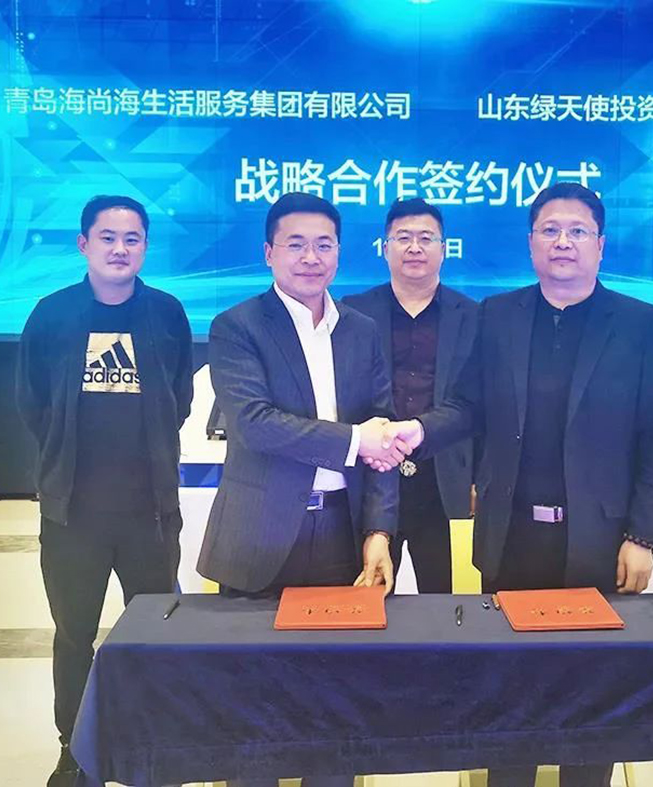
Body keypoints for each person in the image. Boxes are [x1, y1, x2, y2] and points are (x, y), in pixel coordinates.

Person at [378, 182, 653, 787]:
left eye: (577, 231)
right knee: (509, 687)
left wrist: (644, 535)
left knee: (590, 692)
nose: (562, 242)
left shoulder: (642, 324)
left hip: (599, 541)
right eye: (550, 230)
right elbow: (467, 406)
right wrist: (419, 430)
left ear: (600, 245)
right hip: (511, 535)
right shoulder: (499, 316)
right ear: (531, 243)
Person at [196, 191, 402, 786]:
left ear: (339, 252)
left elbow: (384, 436)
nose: (311, 257)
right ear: (269, 252)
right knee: (253, 703)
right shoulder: (237, 327)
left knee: (336, 701)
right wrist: (354, 440)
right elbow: (255, 424)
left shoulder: (362, 331)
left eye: (324, 244)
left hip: (340, 532)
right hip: (260, 536)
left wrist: (379, 531)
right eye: (296, 244)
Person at [17, 194, 193, 787]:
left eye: (132, 238)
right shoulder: (51, 314)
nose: (120, 249)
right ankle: (74, 749)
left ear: (145, 246)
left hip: (150, 512)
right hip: (74, 515)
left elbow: (179, 399)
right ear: (84, 244)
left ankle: (152, 740)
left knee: (153, 634)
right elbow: (33, 402)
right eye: (108, 237)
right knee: (74, 636)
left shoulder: (166, 313)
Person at [343, 198, 478, 593]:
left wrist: (479, 479)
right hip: (373, 475)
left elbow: (481, 402)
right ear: (385, 248)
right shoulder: (352, 313)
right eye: (403, 238)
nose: (414, 247)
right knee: (368, 595)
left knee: (446, 600)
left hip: (445, 478)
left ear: (444, 248)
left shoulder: (474, 315)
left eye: (426, 238)